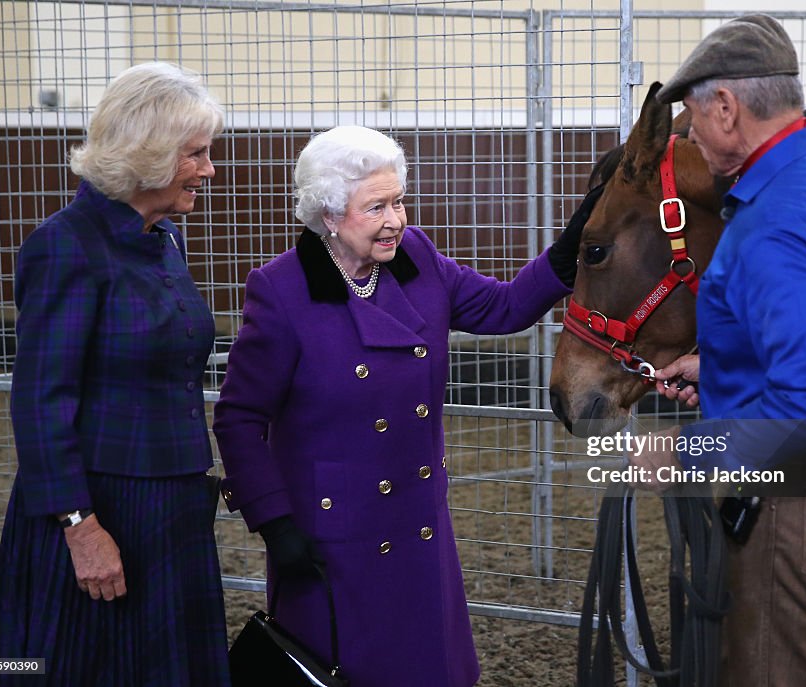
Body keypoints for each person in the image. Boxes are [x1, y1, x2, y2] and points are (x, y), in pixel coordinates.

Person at [212, 125, 585, 686]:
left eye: (399, 201)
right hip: (332, 537)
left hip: (417, 520)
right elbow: (239, 417)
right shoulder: (282, 291)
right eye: (377, 206)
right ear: (330, 216)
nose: (396, 219)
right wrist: (275, 524)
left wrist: (568, 255)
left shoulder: (417, 259)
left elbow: (504, 308)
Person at [630, 14, 806, 687]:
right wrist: (723, 370)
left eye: (692, 116)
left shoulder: (777, 220)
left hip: (798, 509)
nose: (690, 133)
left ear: (727, 107)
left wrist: (681, 453)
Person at [0, 62, 230, 686]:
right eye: (196, 154)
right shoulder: (67, 244)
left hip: (170, 503)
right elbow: (41, 400)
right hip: (99, 509)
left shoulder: (164, 237)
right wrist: (80, 528)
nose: (209, 169)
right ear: (149, 155)